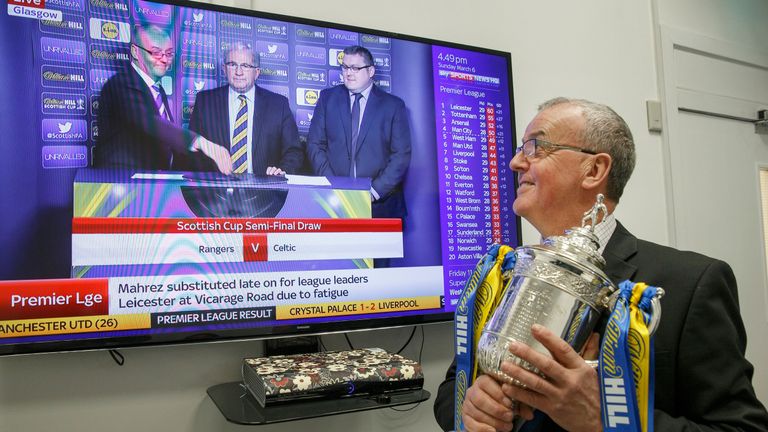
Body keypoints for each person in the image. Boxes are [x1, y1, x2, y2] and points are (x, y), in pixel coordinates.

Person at [433, 97, 768, 431]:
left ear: (594, 170)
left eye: (535, 146)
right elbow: (452, 389)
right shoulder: (505, 275)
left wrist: (603, 419)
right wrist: (470, 406)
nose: (515, 162)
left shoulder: (691, 284)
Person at [95, 24, 231, 173]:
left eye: (169, 53)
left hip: (154, 186)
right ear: (135, 51)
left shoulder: (157, 90)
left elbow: (165, 144)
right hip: (121, 185)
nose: (164, 60)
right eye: (156, 52)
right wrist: (201, 143)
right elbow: (149, 122)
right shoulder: (122, 83)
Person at [307, 45, 411, 219]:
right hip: (335, 203)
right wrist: (335, 186)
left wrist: (374, 192)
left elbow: (401, 154)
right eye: (345, 67)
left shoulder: (393, 106)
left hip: (381, 205)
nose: (348, 73)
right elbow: (315, 144)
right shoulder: (327, 98)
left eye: (355, 68)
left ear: (370, 71)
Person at [184, 42, 303, 175]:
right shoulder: (205, 101)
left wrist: (281, 172)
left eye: (245, 66)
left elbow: (293, 152)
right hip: (217, 190)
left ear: (256, 72)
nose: (238, 72)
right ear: (224, 69)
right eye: (232, 64)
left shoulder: (278, 105)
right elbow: (191, 147)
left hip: (264, 191)